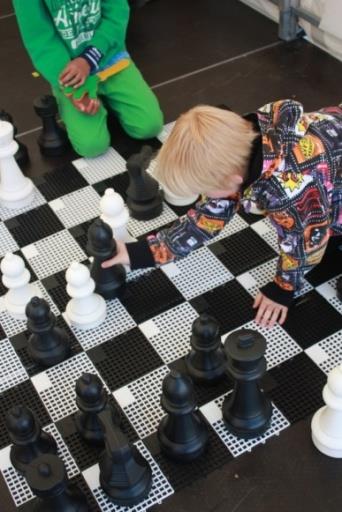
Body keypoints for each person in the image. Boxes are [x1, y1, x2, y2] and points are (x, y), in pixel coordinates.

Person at [102, 99, 342, 328]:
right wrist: (138, 253)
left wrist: (283, 289)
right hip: (330, 171)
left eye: (205, 190)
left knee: (314, 235)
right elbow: (205, 220)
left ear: (234, 181)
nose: (204, 196)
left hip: (323, 183)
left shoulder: (289, 192)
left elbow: (306, 241)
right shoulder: (247, 143)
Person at [13, 0, 163, 158]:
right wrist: (72, 89)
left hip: (111, 58)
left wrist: (89, 58)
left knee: (149, 126)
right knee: (92, 146)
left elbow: (117, 12)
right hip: (69, 72)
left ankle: (106, 101)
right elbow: (40, 41)